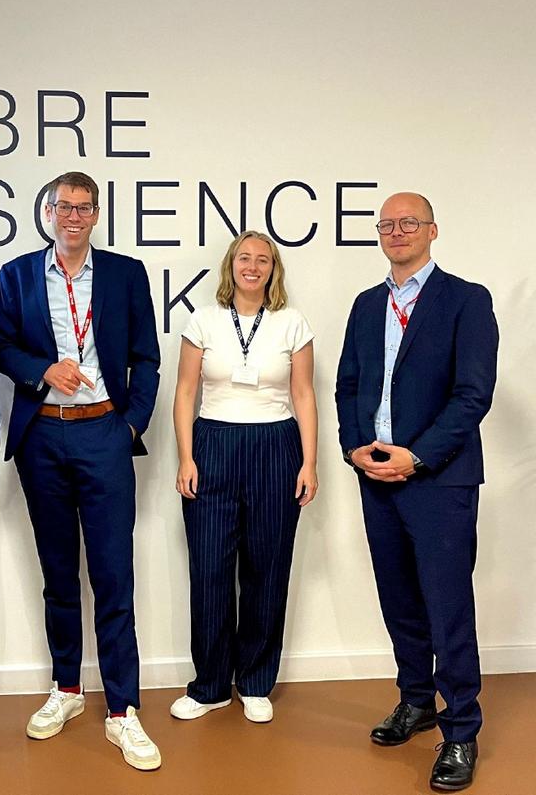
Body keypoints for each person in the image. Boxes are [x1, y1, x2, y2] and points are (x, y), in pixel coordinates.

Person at [0, 171, 162, 770]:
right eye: (64, 206)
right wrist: (42, 370)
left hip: (103, 433)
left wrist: (129, 426)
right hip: (43, 436)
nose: (74, 216)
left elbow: (146, 358)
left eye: (85, 208)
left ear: (95, 216)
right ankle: (66, 688)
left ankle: (122, 710)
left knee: (113, 574)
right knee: (58, 572)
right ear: (48, 213)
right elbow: (1, 345)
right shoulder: (17, 275)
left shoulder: (125, 274)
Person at [335, 192, 498, 791]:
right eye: (388, 224)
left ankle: (461, 730)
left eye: (409, 222)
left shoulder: (466, 300)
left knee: (447, 605)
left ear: (432, 230)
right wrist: (355, 448)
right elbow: (347, 385)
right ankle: (416, 700)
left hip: (439, 480)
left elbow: (473, 394)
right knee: (399, 597)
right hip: (375, 475)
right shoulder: (366, 304)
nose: (397, 231)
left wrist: (419, 455)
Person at [170, 230, 318, 726]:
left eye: (263, 260)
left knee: (266, 568)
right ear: (230, 265)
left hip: (276, 446)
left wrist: (309, 462)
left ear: (274, 269)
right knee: (210, 570)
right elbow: (185, 392)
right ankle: (210, 685)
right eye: (244, 258)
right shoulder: (203, 320)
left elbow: (303, 395)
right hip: (212, 445)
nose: (252, 267)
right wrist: (186, 457)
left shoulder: (292, 322)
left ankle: (255, 682)